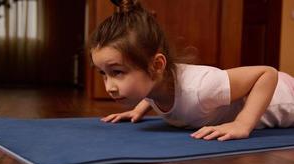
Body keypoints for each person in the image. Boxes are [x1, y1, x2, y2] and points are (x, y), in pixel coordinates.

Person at [89, 0, 294, 141]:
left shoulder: (201, 88)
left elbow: (267, 73)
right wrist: (138, 110)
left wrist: (242, 123)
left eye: (117, 72)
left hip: (285, 98)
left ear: (157, 65)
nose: (109, 87)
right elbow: (152, 92)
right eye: (103, 74)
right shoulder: (154, 82)